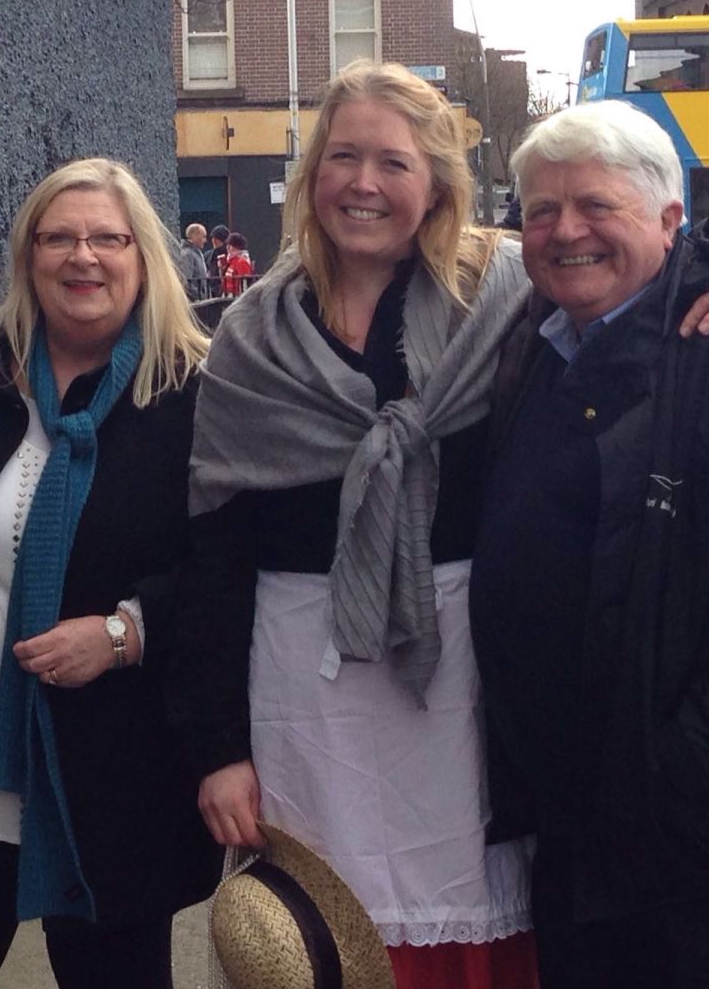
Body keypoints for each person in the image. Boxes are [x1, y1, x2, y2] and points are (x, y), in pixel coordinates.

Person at [168, 61, 541, 988]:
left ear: (437, 185)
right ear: (311, 177)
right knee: (318, 939)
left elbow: (626, 269)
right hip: (304, 687)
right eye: (342, 158)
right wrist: (219, 750)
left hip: (462, 682)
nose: (363, 183)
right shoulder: (252, 338)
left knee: (469, 920)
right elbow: (213, 558)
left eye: (393, 162)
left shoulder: (504, 306)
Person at [0, 157, 220, 989]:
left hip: (110, 781)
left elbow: (223, 569)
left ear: (143, 257)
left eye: (107, 239)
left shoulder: (190, 392)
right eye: (57, 238)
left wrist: (126, 632)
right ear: (28, 256)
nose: (81, 256)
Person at [469, 101, 709, 988]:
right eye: (542, 210)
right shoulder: (525, 340)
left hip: (676, 827)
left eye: (597, 206)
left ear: (670, 221)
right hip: (567, 814)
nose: (566, 231)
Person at [179, 221, 209, 300]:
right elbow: (185, 282)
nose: (205, 240)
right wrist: (201, 296)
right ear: (194, 236)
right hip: (195, 302)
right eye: (203, 236)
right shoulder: (187, 254)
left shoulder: (197, 253)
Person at [222, 230, 254, 296]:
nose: (227, 248)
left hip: (236, 297)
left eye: (230, 245)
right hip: (229, 295)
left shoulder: (242, 262)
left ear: (236, 247)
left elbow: (244, 284)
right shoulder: (232, 261)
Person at [207, 223, 230, 293]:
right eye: (212, 238)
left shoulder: (229, 254)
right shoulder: (208, 255)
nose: (214, 240)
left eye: (217, 238)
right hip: (210, 289)